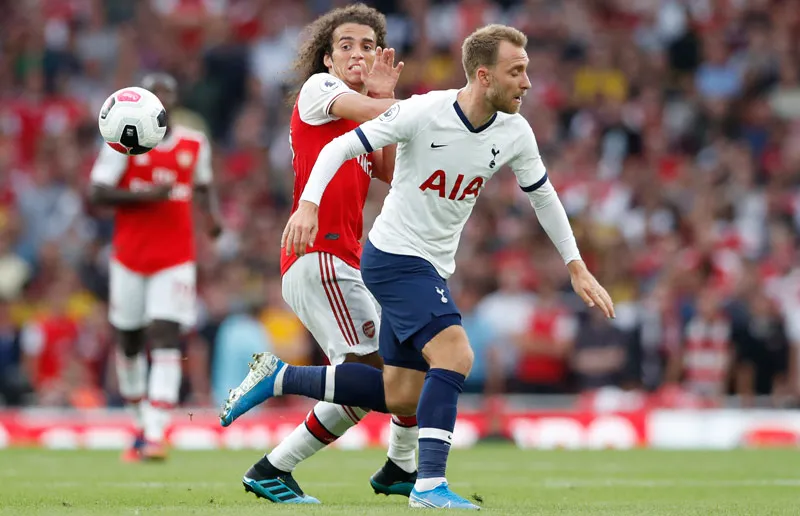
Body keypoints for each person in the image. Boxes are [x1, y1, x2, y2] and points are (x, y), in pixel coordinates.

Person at [222, 24, 614, 509]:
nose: (527, 82)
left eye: (526, 71)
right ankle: (426, 483)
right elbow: (341, 145)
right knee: (455, 354)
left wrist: (576, 265)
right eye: (517, 71)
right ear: (484, 76)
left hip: (414, 262)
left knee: (400, 393)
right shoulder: (406, 106)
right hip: (378, 257)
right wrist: (308, 204)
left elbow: (543, 196)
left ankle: (296, 404)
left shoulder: (514, 131)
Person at [219, 4, 418, 505]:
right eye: (346, 46)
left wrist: (385, 97)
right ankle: (280, 378)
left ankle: (273, 469)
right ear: (327, 59)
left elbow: (390, 170)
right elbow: (380, 115)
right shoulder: (319, 90)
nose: (357, 55)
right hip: (321, 255)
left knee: (366, 385)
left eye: (368, 46)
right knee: (387, 376)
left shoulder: (366, 112)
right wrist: (389, 100)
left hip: (340, 259)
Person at [89, 72, 222, 462]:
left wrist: (211, 217)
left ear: (173, 101)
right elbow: (97, 192)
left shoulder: (194, 143)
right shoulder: (122, 143)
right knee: (129, 342)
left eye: (167, 92)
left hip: (176, 258)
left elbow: (203, 184)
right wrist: (145, 196)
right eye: (154, 92)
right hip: (129, 259)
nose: (162, 97)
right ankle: (138, 422)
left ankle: (155, 432)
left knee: (166, 336)